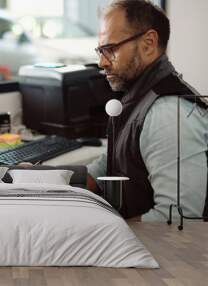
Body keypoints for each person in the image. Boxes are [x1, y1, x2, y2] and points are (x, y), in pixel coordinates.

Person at [87, 0, 208, 221]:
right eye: (100, 50)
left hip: (163, 253)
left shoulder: (168, 113)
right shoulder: (136, 96)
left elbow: (178, 219)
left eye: (110, 49)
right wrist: (52, 182)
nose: (101, 62)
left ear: (149, 43)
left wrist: (106, 233)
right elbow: (112, 162)